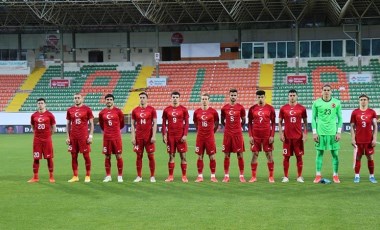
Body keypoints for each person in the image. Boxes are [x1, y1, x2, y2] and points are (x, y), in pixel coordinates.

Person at [312, 84, 343, 183]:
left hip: (333, 133)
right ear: (321, 91)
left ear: (331, 91)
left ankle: (335, 175)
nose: (326, 91)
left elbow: (340, 118)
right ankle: (318, 175)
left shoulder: (336, 102)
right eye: (324, 90)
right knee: (319, 154)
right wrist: (314, 132)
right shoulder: (316, 103)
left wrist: (338, 132)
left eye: (328, 90)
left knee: (335, 154)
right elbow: (313, 118)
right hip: (320, 133)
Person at [278, 89, 308, 183]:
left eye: (293, 95)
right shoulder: (283, 108)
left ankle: (299, 176)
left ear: (297, 96)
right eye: (290, 95)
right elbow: (279, 121)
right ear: (288, 96)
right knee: (286, 157)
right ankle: (285, 176)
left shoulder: (302, 108)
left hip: (298, 138)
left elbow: (305, 122)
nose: (292, 97)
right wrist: (280, 133)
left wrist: (305, 133)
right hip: (287, 138)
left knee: (299, 157)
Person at [248, 90, 276, 183]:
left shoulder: (270, 108)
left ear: (265, 97)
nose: (260, 99)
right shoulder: (252, 109)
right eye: (258, 97)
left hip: (267, 136)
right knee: (254, 155)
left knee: (269, 155)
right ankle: (253, 176)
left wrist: (272, 135)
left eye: (262, 97)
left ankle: (271, 176)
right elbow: (249, 123)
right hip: (255, 137)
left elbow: (273, 123)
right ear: (256, 98)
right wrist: (250, 135)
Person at [66, 93, 94, 183]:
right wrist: (68, 137)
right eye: (75, 98)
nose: (77, 99)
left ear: (82, 99)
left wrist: (90, 136)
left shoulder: (87, 109)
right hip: (73, 137)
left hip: (83, 137)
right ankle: (75, 176)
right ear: (73, 99)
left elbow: (92, 124)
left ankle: (87, 175)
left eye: (78, 98)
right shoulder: (70, 110)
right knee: (73, 156)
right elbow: (68, 124)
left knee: (86, 156)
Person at [162, 91, 189, 182]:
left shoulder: (183, 109)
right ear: (171, 98)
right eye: (173, 97)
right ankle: (170, 176)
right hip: (171, 136)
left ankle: (184, 176)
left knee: (183, 156)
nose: (175, 99)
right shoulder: (166, 110)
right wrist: (164, 134)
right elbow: (164, 123)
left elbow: (187, 123)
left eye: (176, 97)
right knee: (171, 156)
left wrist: (185, 134)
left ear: (179, 98)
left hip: (180, 136)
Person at [350, 94, 378, 183]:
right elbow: (352, 126)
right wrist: (353, 139)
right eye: (361, 99)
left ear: (368, 101)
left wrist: (374, 138)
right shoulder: (355, 112)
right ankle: (357, 176)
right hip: (358, 140)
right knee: (358, 158)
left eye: (365, 99)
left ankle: (372, 176)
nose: (363, 101)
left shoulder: (372, 112)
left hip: (369, 140)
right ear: (359, 101)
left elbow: (375, 126)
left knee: (370, 158)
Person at [131, 92, 157, 183]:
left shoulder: (152, 109)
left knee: (151, 156)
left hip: (149, 137)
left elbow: (154, 123)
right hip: (138, 138)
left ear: (147, 99)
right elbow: (132, 124)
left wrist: (153, 135)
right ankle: (139, 176)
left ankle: (152, 176)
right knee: (138, 156)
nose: (142, 99)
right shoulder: (135, 110)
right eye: (140, 97)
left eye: (143, 97)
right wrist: (133, 137)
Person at [28, 98, 56, 183]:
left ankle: (51, 176)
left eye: (42, 103)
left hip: (47, 140)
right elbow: (32, 126)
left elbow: (54, 127)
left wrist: (48, 135)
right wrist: (36, 134)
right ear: (37, 104)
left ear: (45, 104)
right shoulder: (34, 115)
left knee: (49, 158)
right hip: (37, 140)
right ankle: (35, 177)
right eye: (39, 103)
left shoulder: (50, 115)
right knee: (36, 158)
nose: (40, 104)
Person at [221, 88, 246, 182]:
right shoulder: (224, 108)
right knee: (226, 155)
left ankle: (241, 176)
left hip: (237, 134)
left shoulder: (241, 108)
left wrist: (237, 128)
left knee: (240, 155)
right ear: (229, 95)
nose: (233, 97)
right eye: (232, 95)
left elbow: (243, 121)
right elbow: (222, 120)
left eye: (235, 95)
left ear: (237, 96)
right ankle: (226, 176)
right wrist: (228, 127)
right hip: (227, 134)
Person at [193, 93, 219, 182]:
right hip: (200, 137)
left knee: (212, 157)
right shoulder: (197, 112)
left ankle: (213, 176)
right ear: (201, 100)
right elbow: (195, 123)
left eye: (206, 99)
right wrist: (199, 131)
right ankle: (200, 176)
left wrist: (212, 132)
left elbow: (216, 123)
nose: (204, 100)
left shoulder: (213, 112)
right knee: (200, 156)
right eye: (203, 99)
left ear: (209, 100)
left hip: (210, 138)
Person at [99, 94, 125, 183]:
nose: (109, 101)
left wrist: (115, 130)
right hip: (107, 138)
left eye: (110, 99)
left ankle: (120, 176)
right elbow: (102, 125)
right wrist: (107, 131)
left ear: (113, 101)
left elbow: (122, 124)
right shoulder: (102, 113)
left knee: (118, 156)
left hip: (116, 137)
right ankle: (108, 176)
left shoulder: (118, 111)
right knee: (107, 156)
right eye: (107, 99)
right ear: (105, 101)